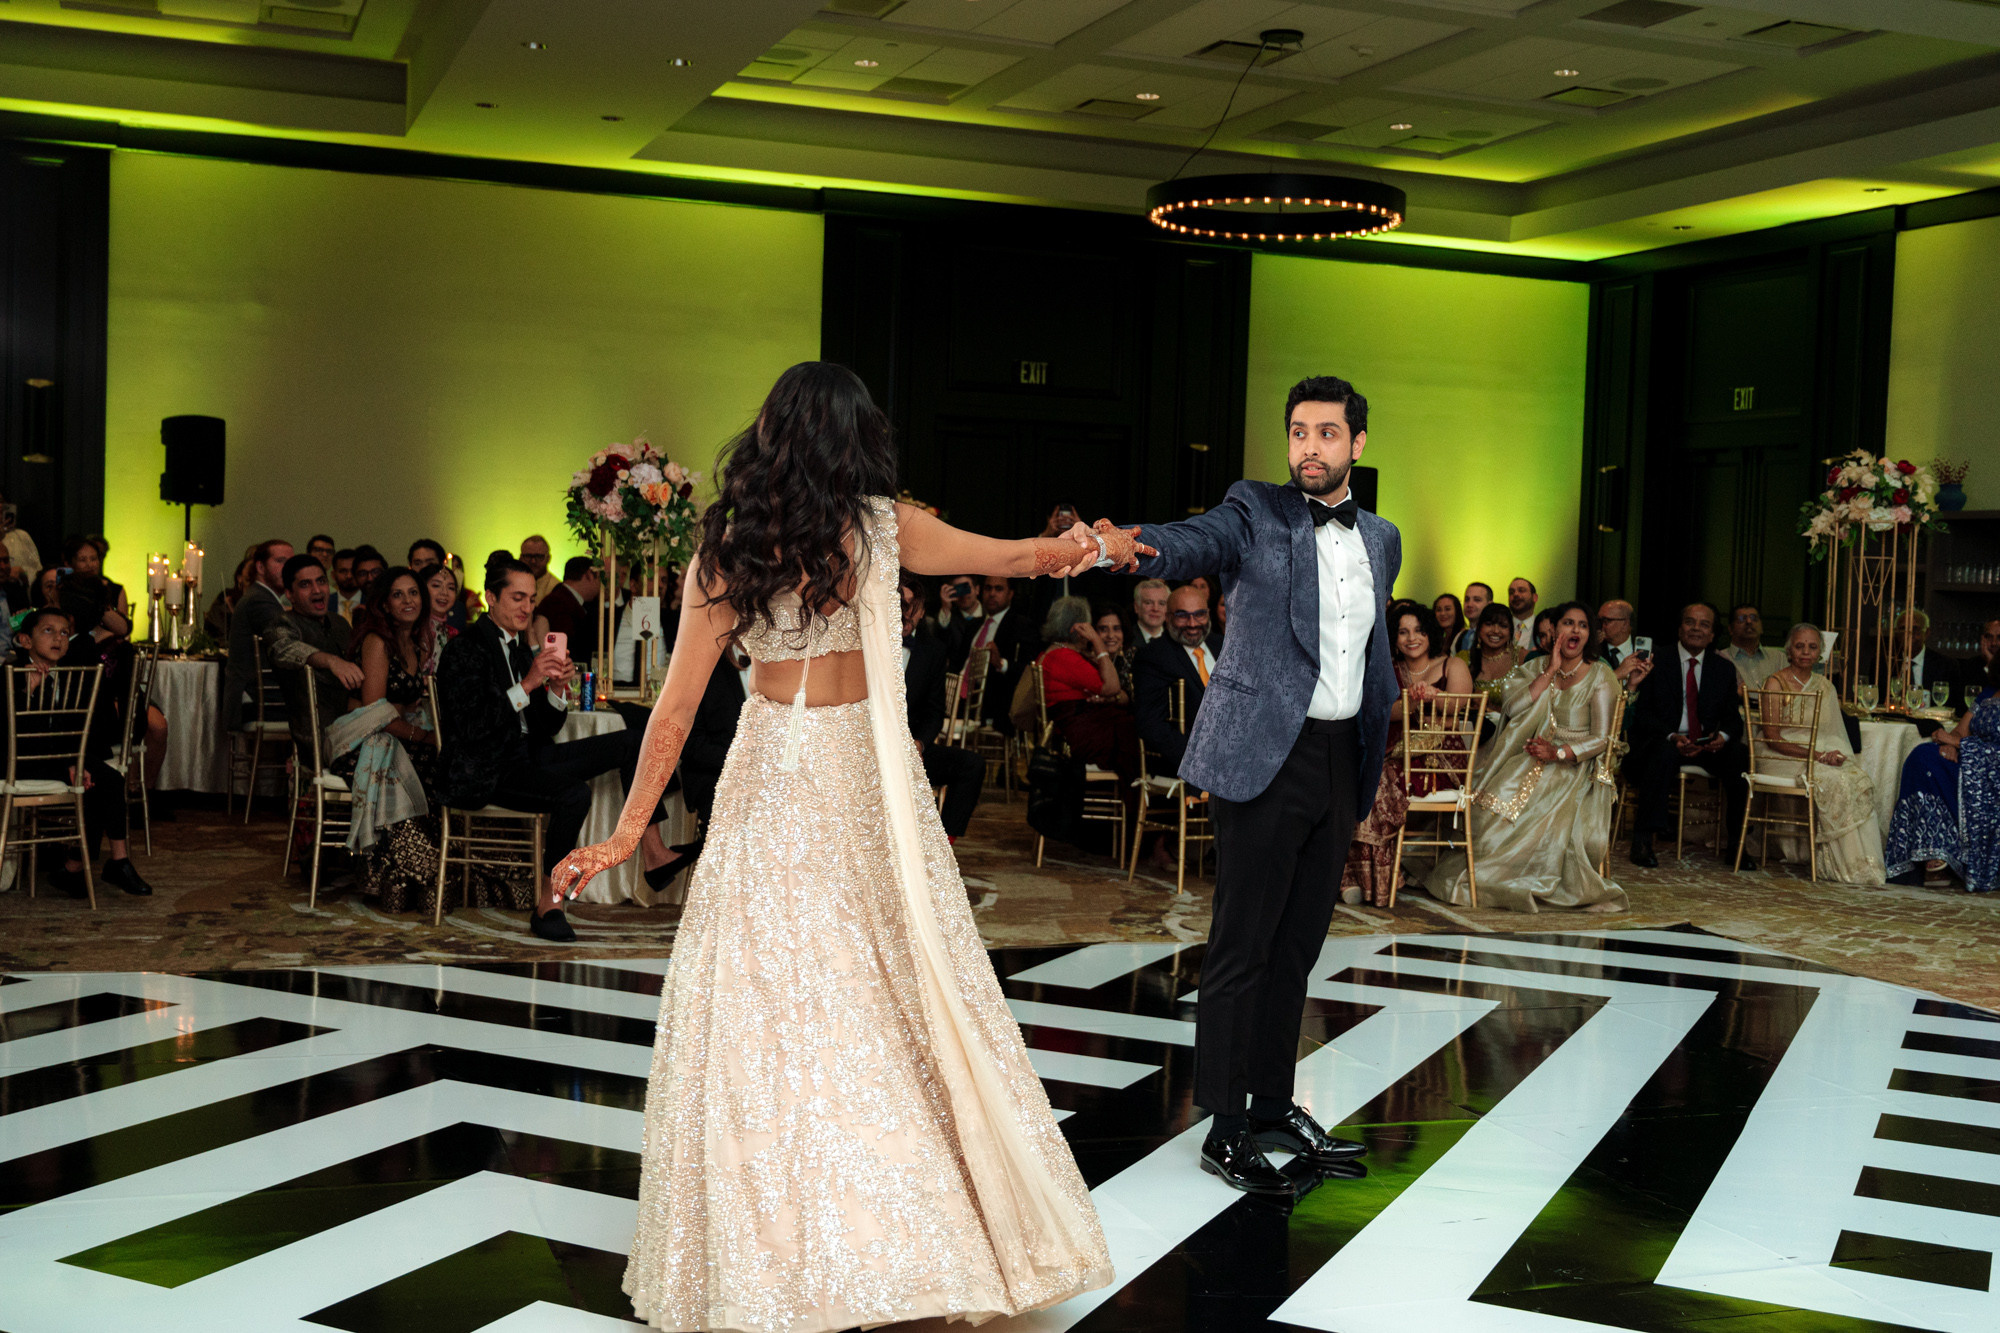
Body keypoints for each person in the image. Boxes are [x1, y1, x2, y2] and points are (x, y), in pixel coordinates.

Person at [549, 362, 1111, 1328]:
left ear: (770, 435)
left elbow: (676, 711)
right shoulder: (888, 526)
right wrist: (1092, 544)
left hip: (777, 767)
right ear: (857, 440)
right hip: (863, 770)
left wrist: (626, 833)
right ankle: (905, 1232)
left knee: (765, 994)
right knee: (892, 979)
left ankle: (778, 1237)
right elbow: (1019, 557)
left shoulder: (727, 545)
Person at [1073, 372, 1390, 1197]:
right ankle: (1223, 1124)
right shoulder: (1257, 509)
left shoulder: (1381, 538)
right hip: (1263, 756)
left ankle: (1277, 1104)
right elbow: (1191, 540)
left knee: (1299, 946)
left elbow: (1370, 653)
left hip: (1336, 758)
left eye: (1326, 433)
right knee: (1241, 946)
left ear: (1356, 444)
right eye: (1297, 432)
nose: (1308, 447)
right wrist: (1127, 543)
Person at [434, 559, 677, 942]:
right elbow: (472, 728)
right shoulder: (464, 650)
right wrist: (529, 683)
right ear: (490, 598)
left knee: (633, 740)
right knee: (573, 794)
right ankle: (550, 901)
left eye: (531, 599)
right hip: (484, 768)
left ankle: (655, 853)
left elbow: (546, 727)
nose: (527, 607)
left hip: (526, 755)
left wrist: (556, 689)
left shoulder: (518, 648)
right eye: (517, 597)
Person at [1425, 603, 1626, 913]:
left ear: (1589, 634)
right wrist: (1549, 671)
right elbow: (1512, 709)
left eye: (1582, 625)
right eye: (1568, 623)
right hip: (1531, 755)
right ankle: (1485, 869)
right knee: (1495, 796)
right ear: (1554, 631)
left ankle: (1515, 877)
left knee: (1540, 796)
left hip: (1575, 765)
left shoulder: (1600, 674)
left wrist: (1558, 753)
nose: (1575, 630)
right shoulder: (1534, 667)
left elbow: (1602, 739)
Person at [10, 607, 154, 897]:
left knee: (108, 779)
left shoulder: (67, 672)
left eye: (64, 632)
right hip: (19, 760)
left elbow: (68, 730)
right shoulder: (13, 674)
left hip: (55, 755)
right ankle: (76, 867)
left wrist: (76, 762)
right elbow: (21, 737)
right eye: (48, 631)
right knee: (90, 780)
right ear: (26, 641)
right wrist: (27, 690)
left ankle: (116, 861)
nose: (58, 639)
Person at [328, 566, 445, 912]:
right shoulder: (377, 641)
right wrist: (420, 734)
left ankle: (423, 869)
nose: (408, 600)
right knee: (426, 759)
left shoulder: (418, 643)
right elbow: (374, 711)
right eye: (398, 594)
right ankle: (401, 873)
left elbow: (407, 704)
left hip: (395, 732)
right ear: (384, 604)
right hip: (361, 741)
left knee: (444, 764)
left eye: (413, 593)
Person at [1346, 600, 1473, 907]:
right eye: (1402, 632)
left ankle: (1372, 881)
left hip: (1440, 762)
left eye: (1418, 630)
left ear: (1430, 633)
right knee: (1362, 780)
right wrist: (1412, 704)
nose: (1411, 638)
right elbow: (1380, 713)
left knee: (1379, 781)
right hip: (1396, 756)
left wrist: (1435, 696)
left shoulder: (1451, 665)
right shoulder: (1390, 671)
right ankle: (1359, 878)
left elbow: (1463, 706)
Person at [1625, 601, 1755, 870]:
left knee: (1740, 755)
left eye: (1704, 624)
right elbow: (1643, 714)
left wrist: (1722, 736)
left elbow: (1733, 718)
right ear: (1679, 628)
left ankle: (1737, 845)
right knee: (1661, 753)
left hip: (1706, 745)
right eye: (1690, 622)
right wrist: (1672, 736)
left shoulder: (1724, 669)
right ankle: (1643, 840)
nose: (1696, 628)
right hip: (1666, 741)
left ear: (1712, 634)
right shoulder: (1655, 661)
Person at [1752, 624, 1885, 885]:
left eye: (1812, 647)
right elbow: (1772, 737)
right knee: (1832, 781)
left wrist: (1834, 756)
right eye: (1799, 646)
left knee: (1855, 779)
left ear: (1820, 653)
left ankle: (1861, 864)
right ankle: (1837, 866)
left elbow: (1833, 734)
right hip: (1779, 755)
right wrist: (1816, 755)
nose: (1805, 652)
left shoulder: (1825, 686)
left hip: (1817, 752)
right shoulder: (1775, 682)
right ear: (1789, 650)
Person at [1885, 662, 1998, 890]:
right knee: (1925, 756)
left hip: (1990, 775)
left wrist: (1960, 744)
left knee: (1933, 762)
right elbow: (1960, 729)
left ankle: (1944, 856)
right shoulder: (1988, 692)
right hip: (1972, 764)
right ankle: (1933, 850)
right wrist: (1952, 744)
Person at [903, 570, 985, 840]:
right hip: (863, 749)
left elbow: (935, 712)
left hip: (912, 748)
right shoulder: (861, 644)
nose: (904, 613)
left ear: (921, 610)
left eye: (910, 607)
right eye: (898, 604)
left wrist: (920, 744)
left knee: (971, 764)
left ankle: (944, 846)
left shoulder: (932, 650)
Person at [1036, 594, 1140, 790]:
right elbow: (1111, 687)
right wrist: (1098, 644)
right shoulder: (1064, 656)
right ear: (1078, 627)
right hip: (1078, 734)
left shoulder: (1056, 652)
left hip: (1078, 725)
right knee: (1135, 733)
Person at [263, 555, 362, 743]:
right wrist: (331, 661)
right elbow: (285, 648)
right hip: (317, 735)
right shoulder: (281, 625)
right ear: (290, 594)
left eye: (321, 582)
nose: (317, 590)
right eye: (305, 585)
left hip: (353, 721)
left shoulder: (339, 623)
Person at [1133, 583, 1212, 779]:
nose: (1192, 624)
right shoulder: (1154, 656)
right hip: (1190, 760)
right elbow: (1151, 725)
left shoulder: (1225, 645)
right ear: (1168, 618)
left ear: (1208, 614)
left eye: (1199, 614)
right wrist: (1199, 761)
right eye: (1182, 616)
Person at [223, 538, 292, 729]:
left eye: (290, 562)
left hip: (262, 697)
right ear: (260, 567)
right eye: (280, 561)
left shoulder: (263, 597)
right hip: (258, 701)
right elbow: (288, 640)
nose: (288, 569)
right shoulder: (259, 600)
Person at [965, 573, 1037, 728]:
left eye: (998, 589)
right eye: (988, 588)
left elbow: (1029, 670)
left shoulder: (1021, 626)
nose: (992, 594)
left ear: (1010, 594)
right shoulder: (973, 626)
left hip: (996, 702)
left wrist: (1001, 664)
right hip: (961, 697)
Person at [531, 556, 601, 668]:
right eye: (599, 578)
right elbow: (568, 647)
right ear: (589, 575)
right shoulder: (559, 603)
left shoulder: (564, 599)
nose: (600, 585)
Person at [1460, 600, 1525, 711]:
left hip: (1511, 726)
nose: (1495, 631)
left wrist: (1492, 708)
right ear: (1479, 628)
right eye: (1489, 624)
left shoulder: (1521, 657)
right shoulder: (1463, 659)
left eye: (1503, 626)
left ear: (1510, 632)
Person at [1724, 604, 1787, 688]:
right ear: (1730, 629)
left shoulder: (1779, 658)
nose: (1749, 622)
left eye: (1754, 618)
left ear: (1761, 627)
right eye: (1742, 619)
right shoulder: (1721, 658)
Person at [1597, 598, 1654, 688]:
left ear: (1625, 624)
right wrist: (1617, 673)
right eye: (1599, 621)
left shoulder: (1653, 655)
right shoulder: (1592, 652)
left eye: (1606, 621)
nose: (1601, 626)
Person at [421, 562, 464, 670]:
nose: (444, 593)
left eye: (451, 588)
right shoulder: (414, 632)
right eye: (436, 585)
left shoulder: (453, 634)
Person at [1091, 602, 1136, 700]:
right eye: (1103, 629)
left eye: (1116, 629)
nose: (1111, 636)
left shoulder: (1135, 657)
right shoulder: (1084, 660)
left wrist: (1113, 698)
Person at [0, 490, 41, 587]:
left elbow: (37, 572)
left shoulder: (21, 536)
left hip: (18, 595)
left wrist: (23, 574)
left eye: (1, 501)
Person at [519, 534, 559, 604]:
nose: (533, 561)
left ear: (548, 558)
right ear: (520, 558)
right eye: (528, 556)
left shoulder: (556, 588)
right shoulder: (511, 584)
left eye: (539, 556)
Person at [1133, 578, 1170, 646]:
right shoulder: (1124, 640)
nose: (1155, 609)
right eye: (1148, 603)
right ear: (1136, 607)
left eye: (1161, 603)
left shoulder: (1176, 641)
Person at [1459, 582, 1493, 653]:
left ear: (1490, 605)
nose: (1469, 604)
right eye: (1467, 599)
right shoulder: (1459, 636)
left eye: (1477, 600)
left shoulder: (1495, 635)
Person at [1507, 577, 1538, 649]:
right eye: (1511, 592)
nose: (1516, 594)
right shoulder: (1500, 627)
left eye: (1521, 590)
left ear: (1535, 597)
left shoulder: (1544, 628)